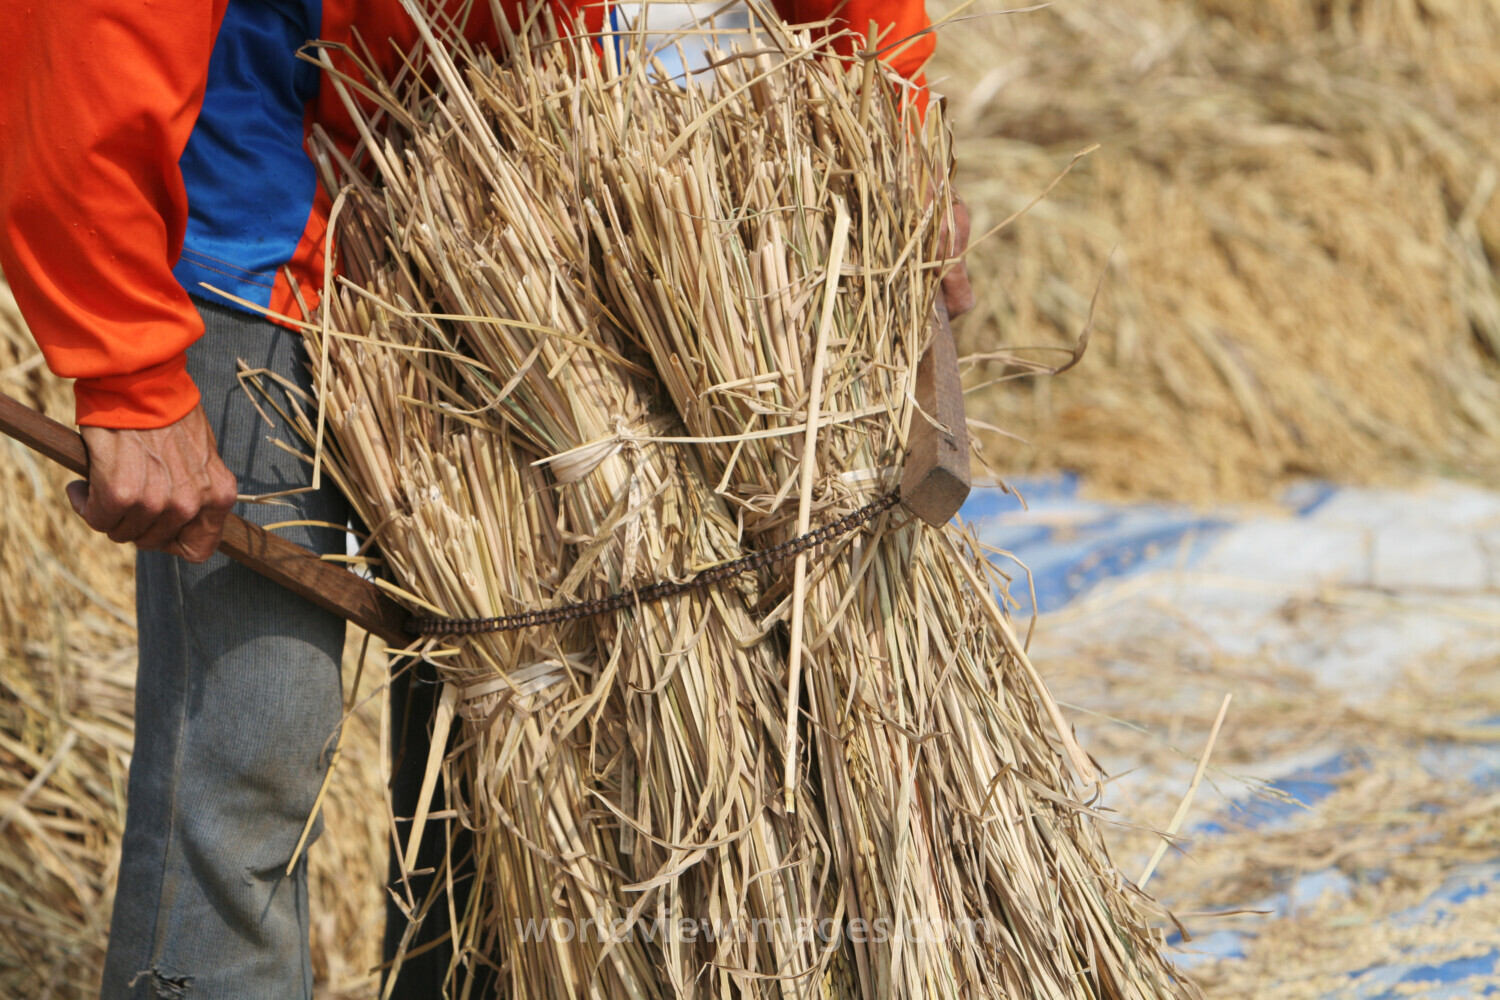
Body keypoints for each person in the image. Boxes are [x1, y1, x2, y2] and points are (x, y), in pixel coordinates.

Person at [0, 1, 972, 996]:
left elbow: (856, 21)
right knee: (253, 740)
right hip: (252, 191)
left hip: (494, 204)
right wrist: (128, 364)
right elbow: (85, 31)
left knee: (514, 737)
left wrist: (894, 138)